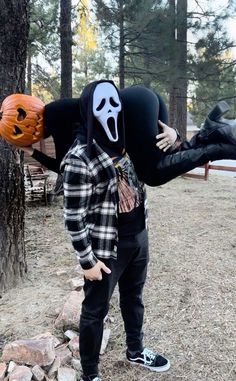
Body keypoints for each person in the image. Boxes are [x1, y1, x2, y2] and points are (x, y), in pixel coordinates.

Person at [61, 80, 172, 381]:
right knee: (94, 311)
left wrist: (172, 136)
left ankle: (135, 350)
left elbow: (159, 158)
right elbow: (73, 217)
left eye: (114, 103)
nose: (110, 111)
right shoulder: (79, 157)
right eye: (101, 105)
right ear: (88, 111)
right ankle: (90, 375)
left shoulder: (130, 141)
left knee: (133, 298)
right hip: (106, 250)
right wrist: (87, 261)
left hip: (138, 237)